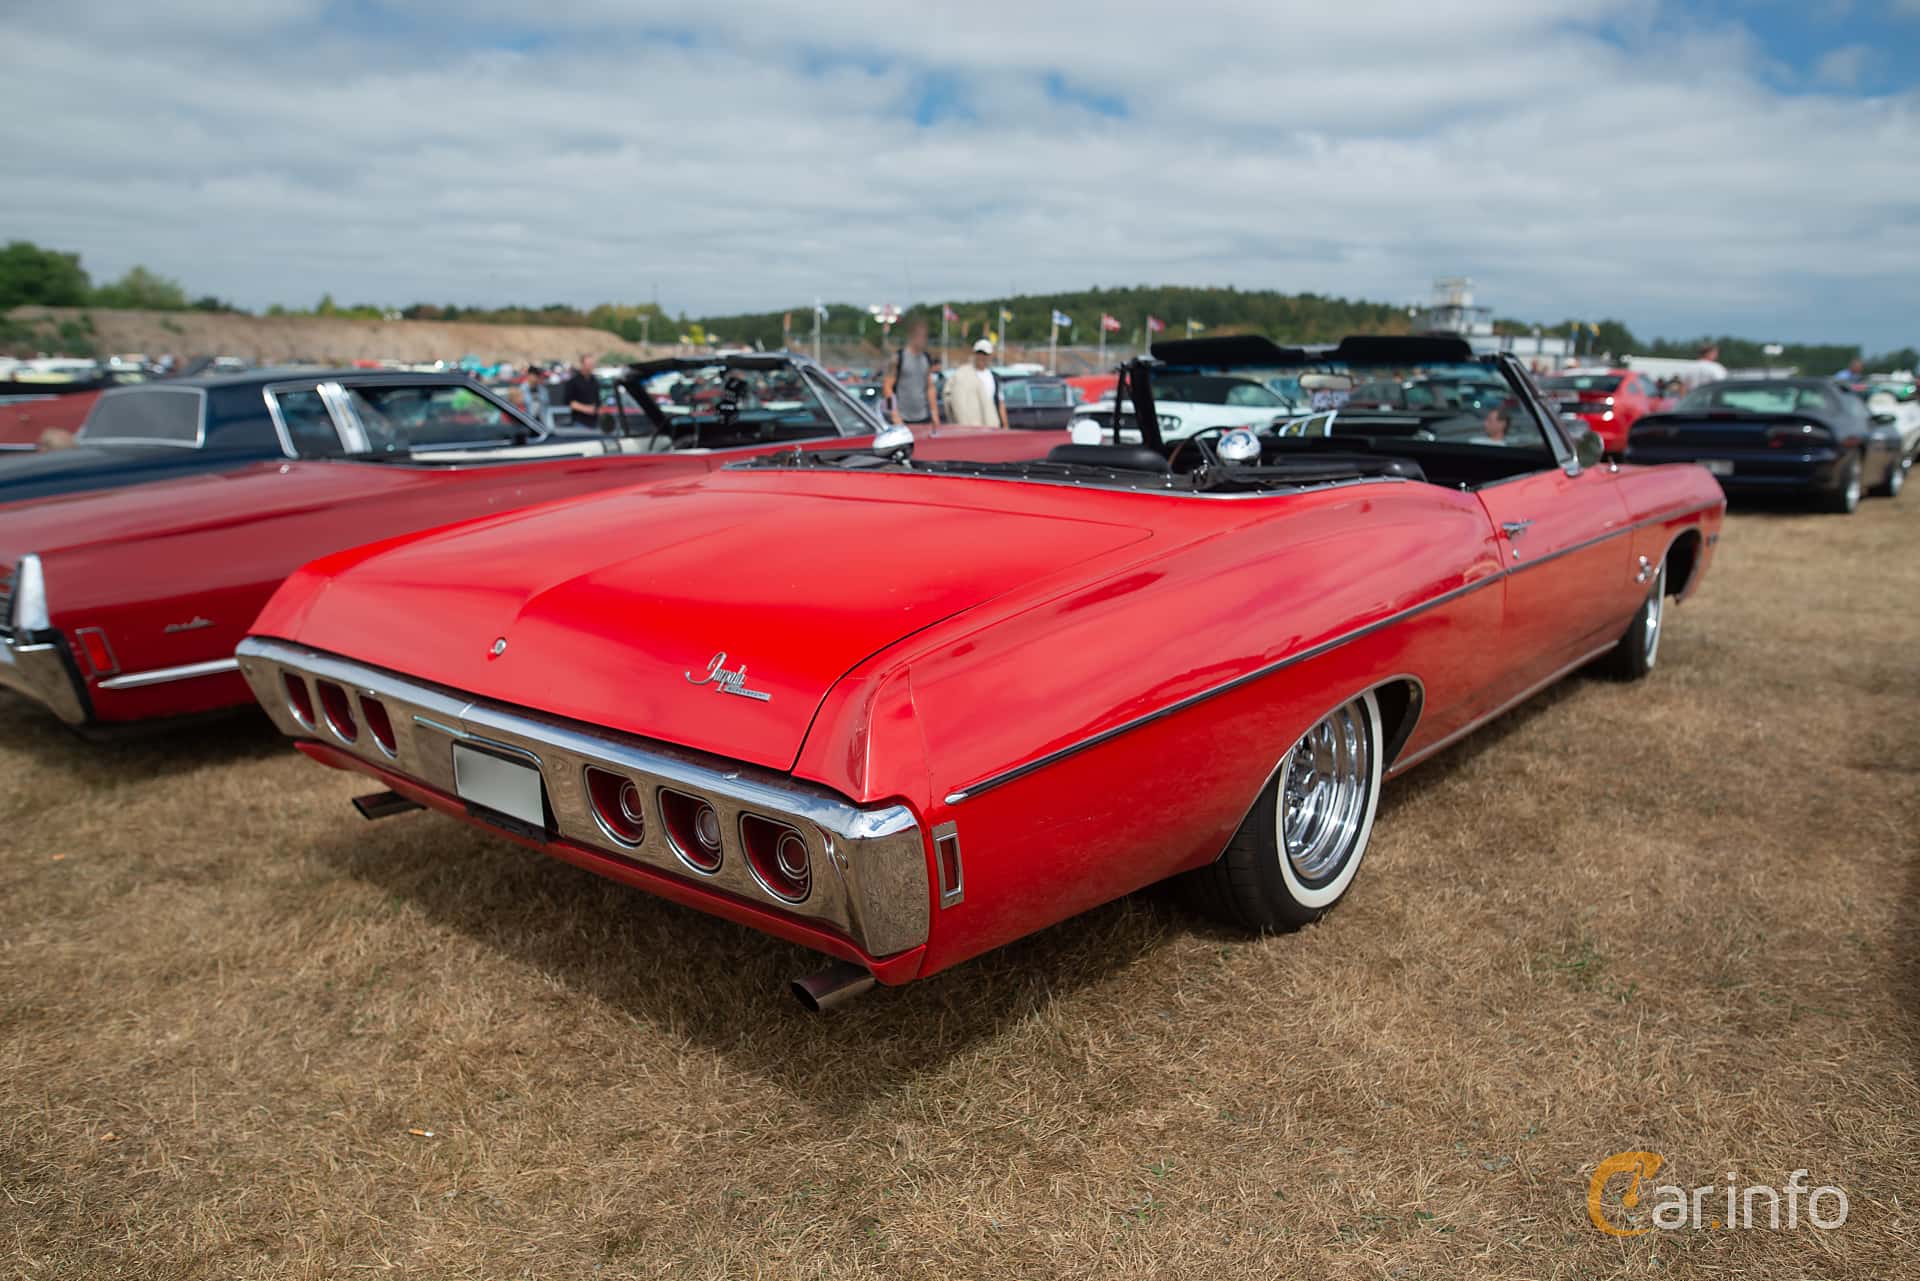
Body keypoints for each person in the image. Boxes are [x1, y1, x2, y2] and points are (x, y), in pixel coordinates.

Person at [884, 319, 941, 429]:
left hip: (923, 417)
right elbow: (887, 387)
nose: (922, 339)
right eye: (919, 335)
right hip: (902, 418)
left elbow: (930, 387)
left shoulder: (926, 358)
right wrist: (894, 414)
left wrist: (934, 413)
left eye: (924, 336)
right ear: (911, 336)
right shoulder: (899, 357)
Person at [944, 339, 1008, 429]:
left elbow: (1000, 403)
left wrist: (1005, 425)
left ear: (990, 356)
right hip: (971, 426)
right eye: (979, 353)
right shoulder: (963, 375)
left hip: (991, 425)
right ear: (974, 354)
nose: (982, 357)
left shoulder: (995, 378)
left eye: (985, 354)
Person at [563, 354, 601, 431]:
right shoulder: (573, 381)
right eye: (589, 364)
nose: (591, 367)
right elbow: (569, 402)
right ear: (583, 365)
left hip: (594, 421)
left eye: (592, 364)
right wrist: (587, 409)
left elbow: (598, 399)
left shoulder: (595, 381)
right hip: (580, 422)